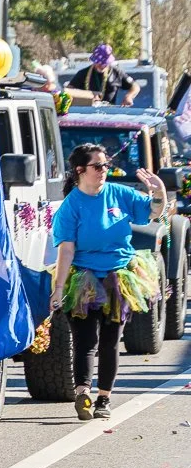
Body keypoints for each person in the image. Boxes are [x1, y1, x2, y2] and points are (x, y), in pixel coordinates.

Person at [51, 143, 166, 420]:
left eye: (106, 165)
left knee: (111, 341)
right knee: (85, 340)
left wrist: (159, 192)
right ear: (81, 170)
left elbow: (153, 212)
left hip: (118, 276)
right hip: (83, 278)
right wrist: (58, 289)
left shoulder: (119, 193)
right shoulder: (71, 206)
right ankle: (82, 393)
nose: (104, 170)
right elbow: (66, 250)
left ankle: (104, 398)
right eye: (98, 166)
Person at [66, 44, 139, 106]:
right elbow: (69, 90)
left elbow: (135, 86)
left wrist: (129, 96)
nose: (102, 66)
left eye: (105, 63)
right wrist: (87, 96)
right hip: (87, 112)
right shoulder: (83, 73)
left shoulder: (116, 72)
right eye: (99, 63)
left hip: (109, 113)